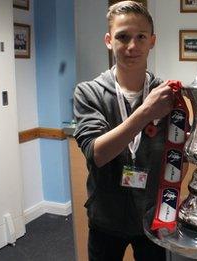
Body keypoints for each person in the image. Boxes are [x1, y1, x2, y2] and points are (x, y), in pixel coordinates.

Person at [73, 1, 173, 260]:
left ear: (152, 41)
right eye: (122, 37)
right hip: (105, 220)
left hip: (152, 219)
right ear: (109, 40)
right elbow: (97, 154)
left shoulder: (166, 95)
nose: (132, 46)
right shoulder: (88, 92)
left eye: (140, 37)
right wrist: (145, 113)